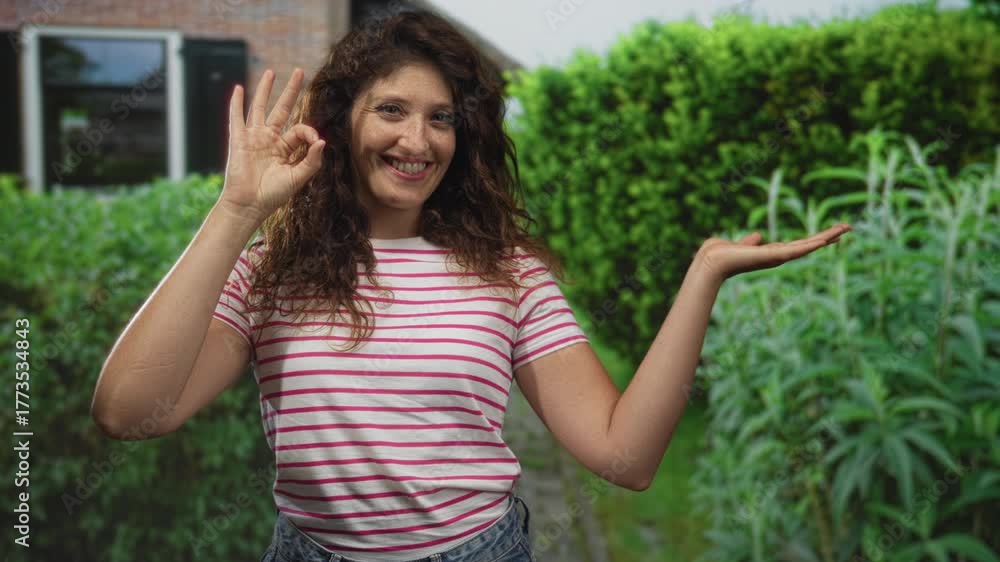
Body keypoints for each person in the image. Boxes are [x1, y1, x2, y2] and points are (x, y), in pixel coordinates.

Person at [91, 9, 851, 562]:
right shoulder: (272, 268)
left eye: (442, 118)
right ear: (343, 123)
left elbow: (626, 457)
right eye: (391, 110)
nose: (417, 140)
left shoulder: (507, 272)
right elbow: (127, 412)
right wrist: (238, 211)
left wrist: (703, 276)